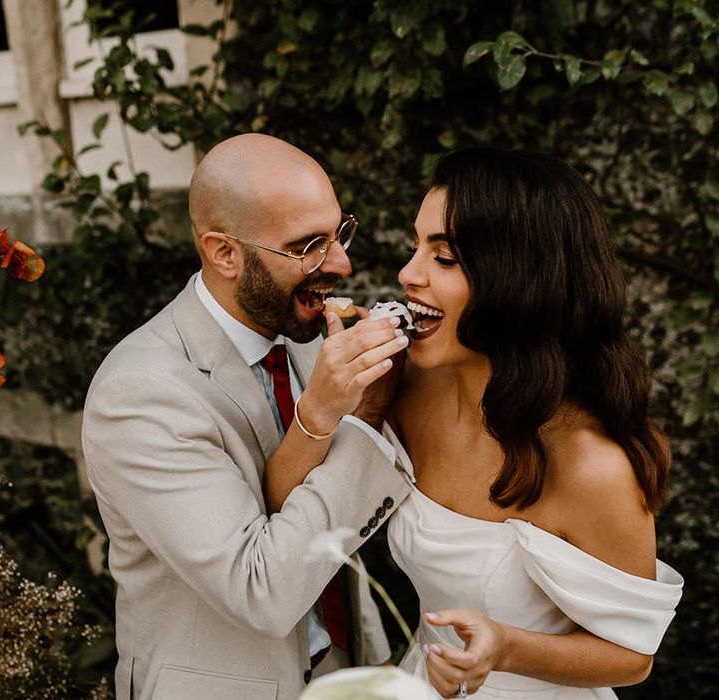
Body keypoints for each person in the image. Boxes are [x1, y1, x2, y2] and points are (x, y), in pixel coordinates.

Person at [81, 133, 413, 700]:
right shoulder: (139, 393)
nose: (341, 262)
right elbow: (259, 589)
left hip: (347, 669)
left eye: (339, 233)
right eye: (308, 245)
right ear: (224, 253)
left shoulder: (310, 339)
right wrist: (363, 420)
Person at [385, 147, 684, 698]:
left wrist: (506, 647)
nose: (408, 274)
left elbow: (632, 656)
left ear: (518, 280)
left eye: (444, 258)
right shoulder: (406, 391)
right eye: (415, 247)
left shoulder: (594, 465)